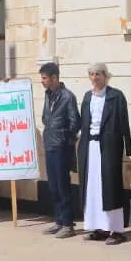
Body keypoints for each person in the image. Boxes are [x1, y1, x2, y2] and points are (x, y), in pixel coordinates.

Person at [78, 63, 131, 245]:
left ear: (105, 76)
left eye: (98, 74)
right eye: (92, 74)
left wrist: (128, 149)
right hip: (90, 146)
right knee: (92, 187)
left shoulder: (115, 96)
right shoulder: (87, 97)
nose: (95, 78)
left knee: (110, 186)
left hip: (108, 146)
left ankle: (116, 230)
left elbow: (124, 122)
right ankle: (97, 227)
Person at [40, 62, 81, 238]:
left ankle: (68, 223)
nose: (42, 81)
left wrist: (65, 138)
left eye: (44, 78)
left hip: (62, 146)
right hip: (49, 144)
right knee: (53, 186)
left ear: (55, 78)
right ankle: (58, 220)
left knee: (63, 186)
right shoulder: (48, 96)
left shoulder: (67, 97)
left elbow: (75, 122)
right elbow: (45, 117)